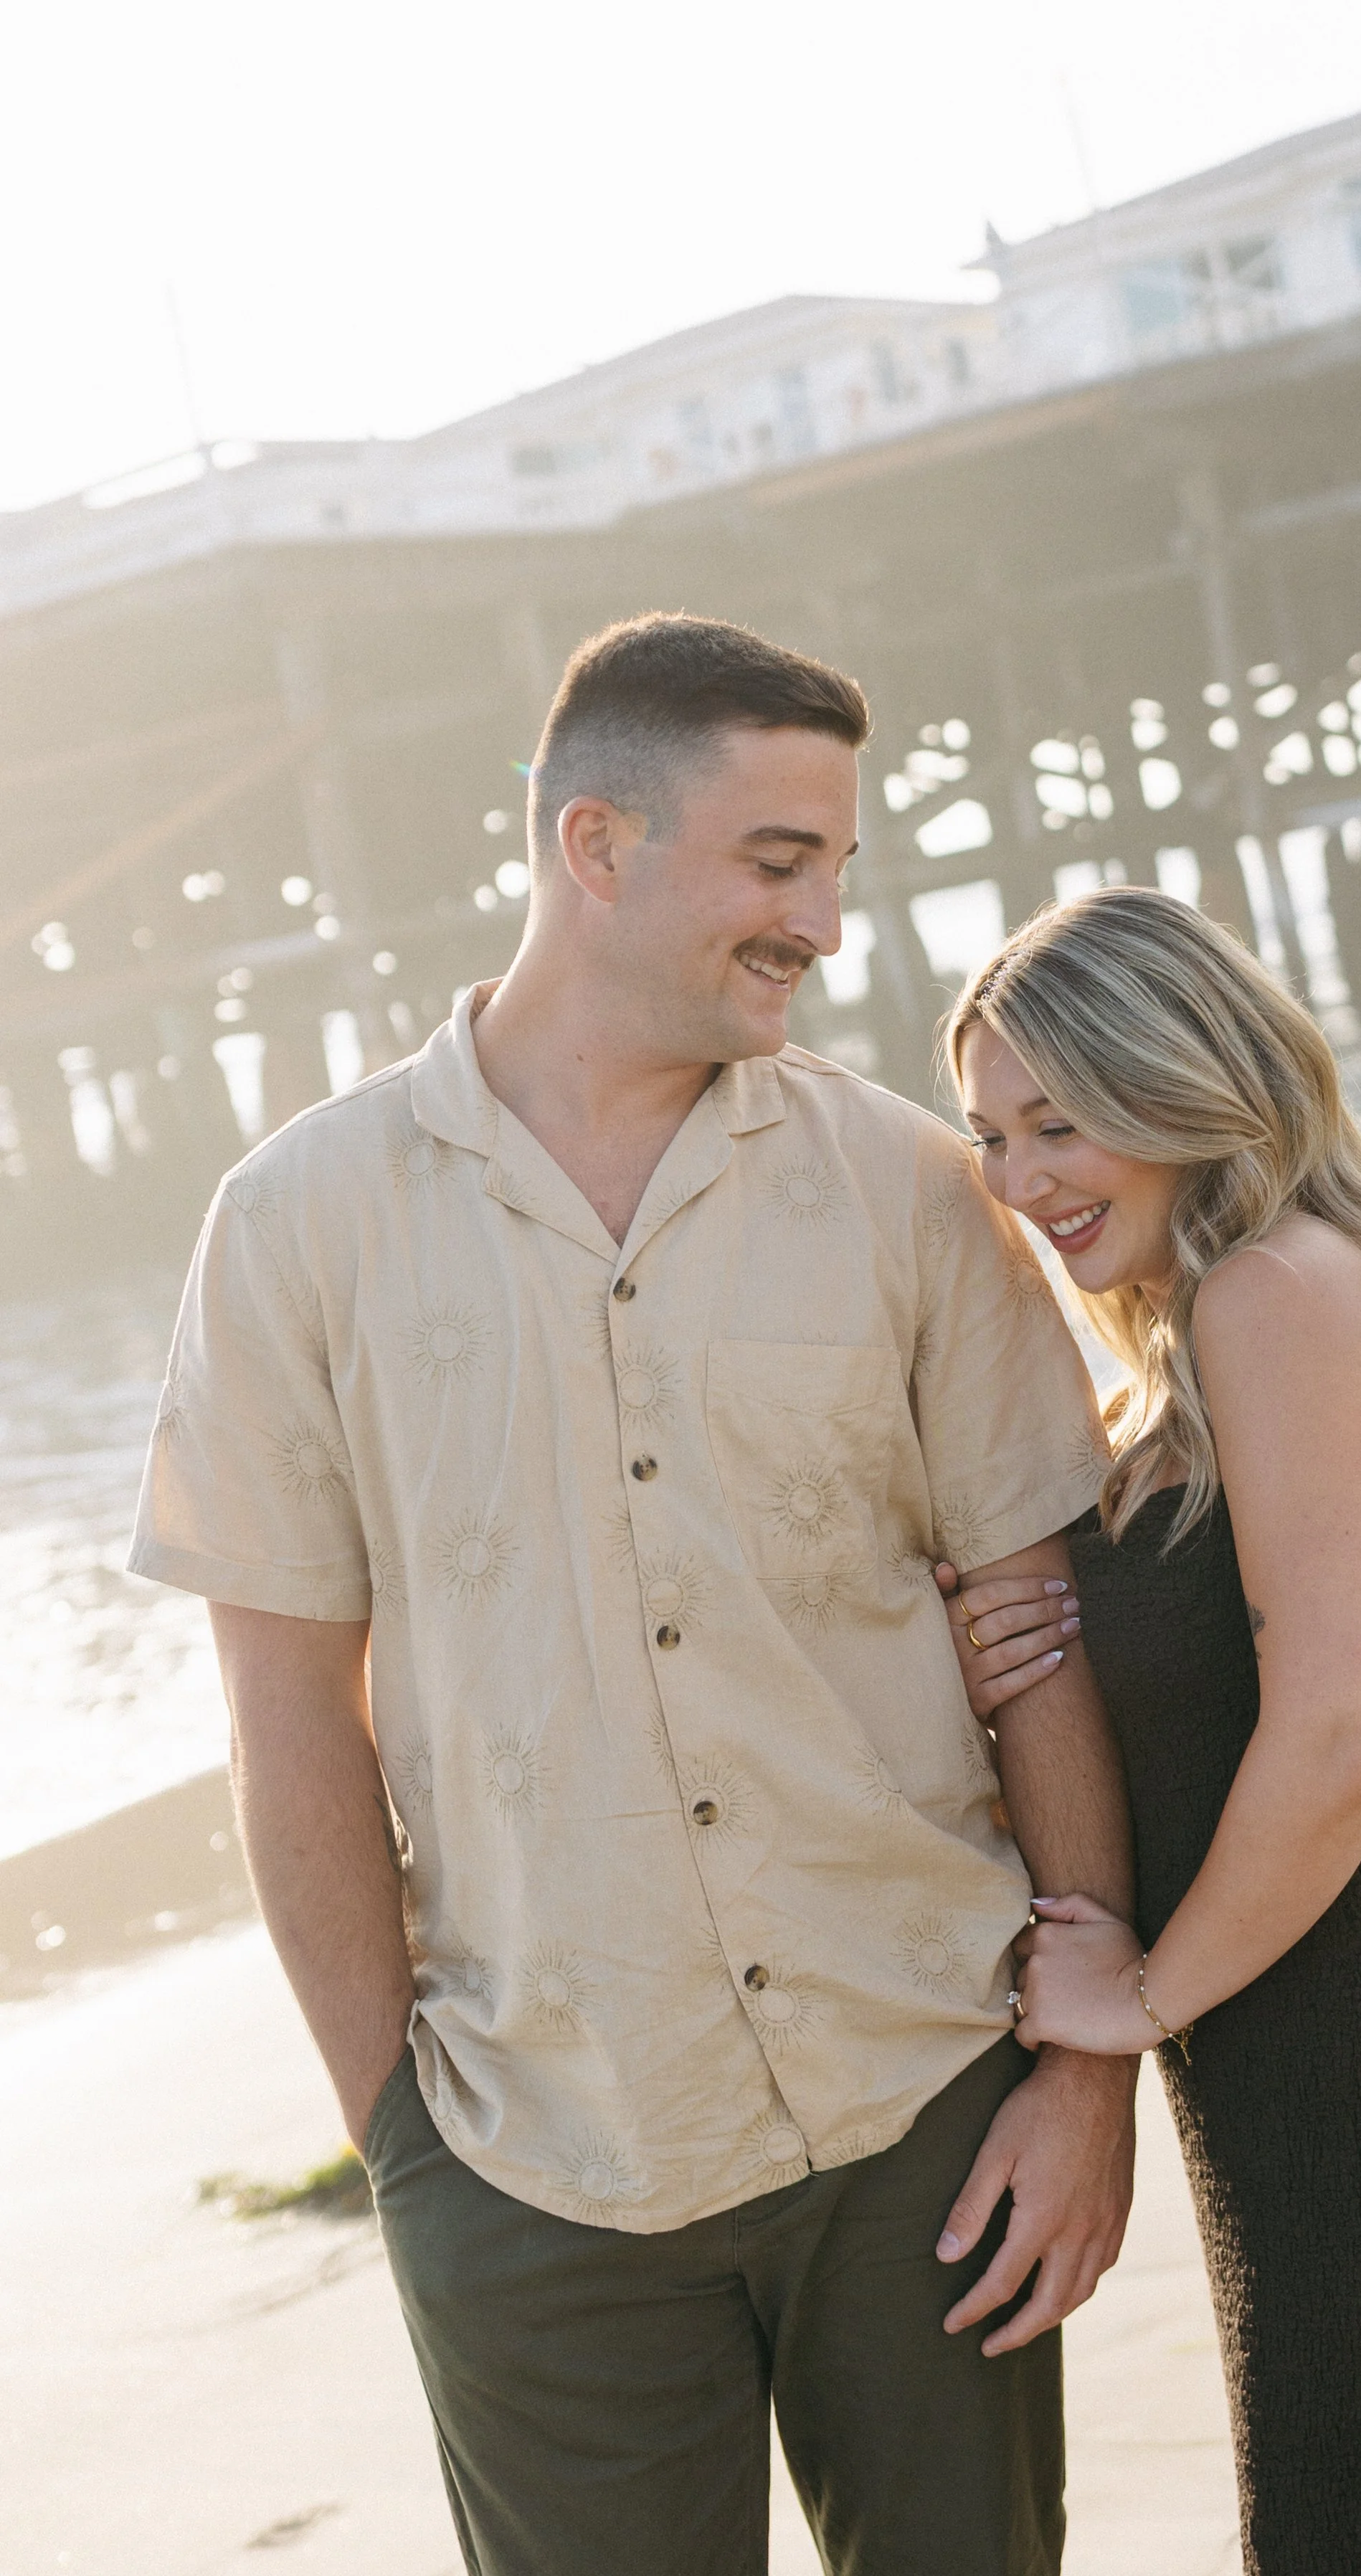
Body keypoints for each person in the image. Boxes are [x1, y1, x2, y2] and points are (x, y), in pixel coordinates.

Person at [128, 614, 1138, 2576]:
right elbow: (287, 1722)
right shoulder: (293, 1230)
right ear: (595, 848)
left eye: (838, 865)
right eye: (778, 864)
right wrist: (401, 2149)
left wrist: (1083, 2074)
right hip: (531, 2161)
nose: (827, 924)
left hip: (925, 2102)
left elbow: (1038, 1651)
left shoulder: (911, 1189)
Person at [938, 886, 1361, 2576]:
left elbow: (1335, 1731)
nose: (1020, 1180)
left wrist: (1140, 1997)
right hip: (1307, 2093)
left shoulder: (1270, 1293)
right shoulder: (1199, 1341)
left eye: (1058, 1119)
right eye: (989, 1136)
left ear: (1175, 1081)